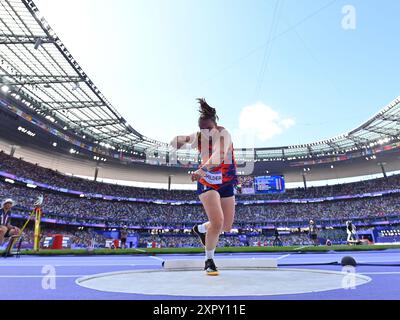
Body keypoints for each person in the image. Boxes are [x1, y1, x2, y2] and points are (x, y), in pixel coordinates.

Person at [171, 99, 237, 276]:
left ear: (215, 125)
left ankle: (200, 229)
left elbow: (219, 155)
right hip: (207, 182)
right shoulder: (200, 135)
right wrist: (178, 141)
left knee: (226, 226)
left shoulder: (224, 134)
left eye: (208, 128)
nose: (205, 132)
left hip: (225, 182)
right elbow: (178, 140)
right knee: (217, 221)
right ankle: (209, 260)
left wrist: (201, 169)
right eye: (202, 129)